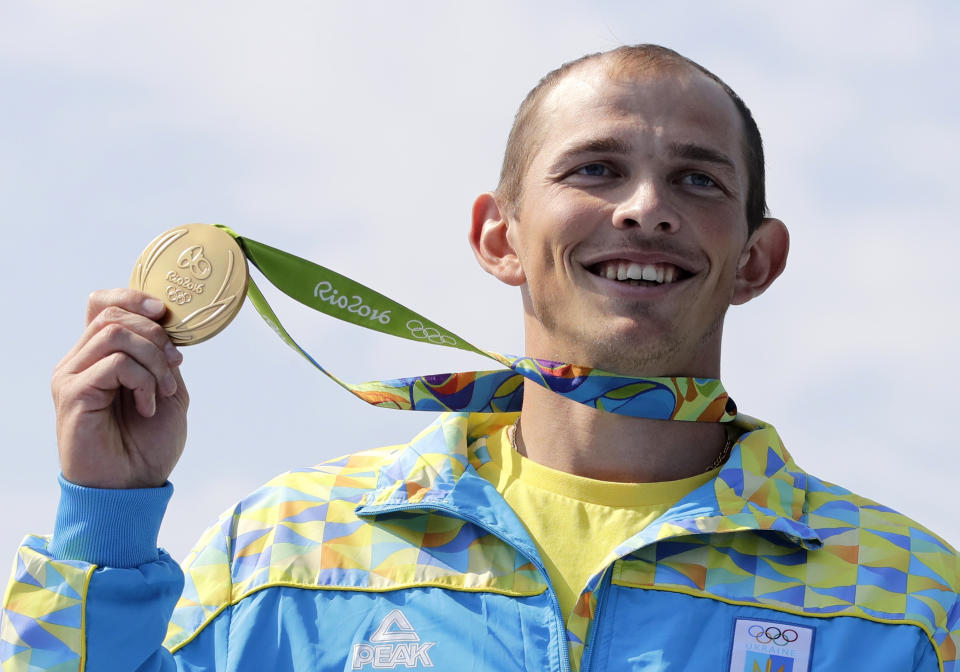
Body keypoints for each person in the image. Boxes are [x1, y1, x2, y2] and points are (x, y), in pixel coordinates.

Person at [3, 44, 958, 672]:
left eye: (698, 179)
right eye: (595, 169)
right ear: (498, 236)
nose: (644, 208)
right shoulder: (288, 554)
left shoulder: (910, 602)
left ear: (757, 259)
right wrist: (106, 525)